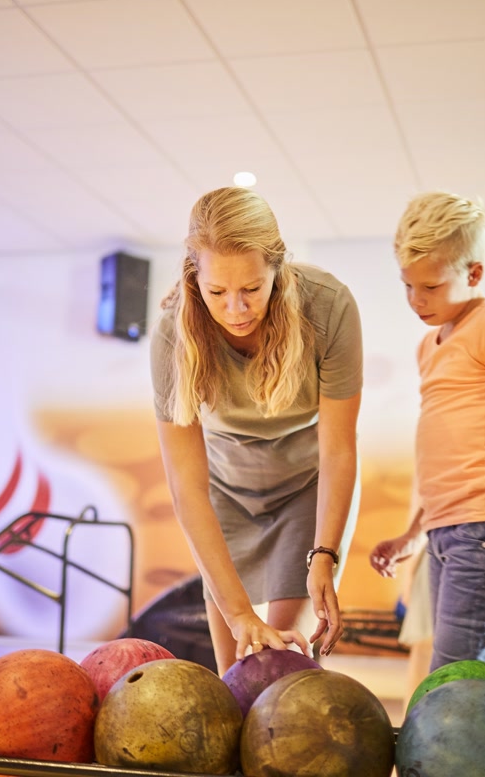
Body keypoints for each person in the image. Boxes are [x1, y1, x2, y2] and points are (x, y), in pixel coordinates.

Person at [150, 186, 363, 676]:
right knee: (236, 675)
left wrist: (325, 556)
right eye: (217, 292)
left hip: (306, 487)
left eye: (252, 288)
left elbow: (338, 450)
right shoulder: (172, 335)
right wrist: (240, 614)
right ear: (194, 279)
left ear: (278, 271)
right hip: (222, 493)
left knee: (282, 667)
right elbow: (187, 486)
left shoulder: (329, 308)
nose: (236, 309)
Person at [370, 191, 485, 672]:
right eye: (407, 286)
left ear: (473, 273)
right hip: (443, 531)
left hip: (483, 529)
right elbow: (445, 457)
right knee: (453, 674)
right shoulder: (428, 346)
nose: (416, 300)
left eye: (430, 287)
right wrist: (414, 532)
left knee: (461, 679)